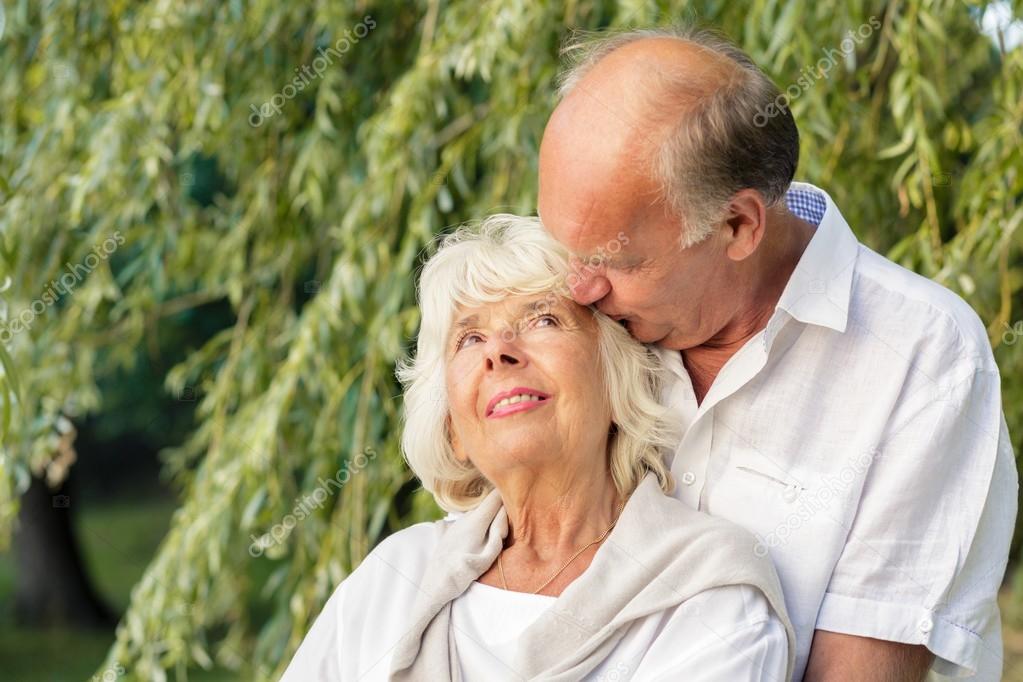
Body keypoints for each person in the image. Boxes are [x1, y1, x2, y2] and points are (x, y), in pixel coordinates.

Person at [536, 26, 1017, 681]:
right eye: (567, 248)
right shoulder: (579, 327)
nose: (577, 288)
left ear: (737, 226)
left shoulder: (922, 360)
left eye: (614, 262)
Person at [281, 214, 794, 680]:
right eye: (468, 339)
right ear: (454, 430)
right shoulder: (394, 579)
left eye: (542, 320)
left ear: (618, 381)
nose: (499, 352)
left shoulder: (708, 591)